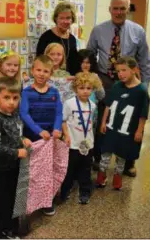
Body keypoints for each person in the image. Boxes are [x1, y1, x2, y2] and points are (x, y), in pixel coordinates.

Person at [87, 0, 150, 177]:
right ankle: (99, 157)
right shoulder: (98, 30)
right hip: (105, 80)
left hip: (130, 84)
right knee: (104, 120)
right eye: (115, 8)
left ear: (128, 10)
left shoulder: (138, 31)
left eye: (123, 8)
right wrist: (89, 79)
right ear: (110, 9)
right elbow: (90, 56)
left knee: (130, 123)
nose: (118, 12)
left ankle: (129, 162)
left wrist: (144, 86)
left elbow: (145, 60)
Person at [0, 77, 31, 239]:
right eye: (6, 97)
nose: (11, 102)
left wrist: (22, 140)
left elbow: (15, 135)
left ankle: (7, 226)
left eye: (15, 98)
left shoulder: (15, 115)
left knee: (9, 198)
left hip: (12, 167)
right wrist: (16, 152)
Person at [96, 57, 150, 190]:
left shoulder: (141, 91)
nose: (120, 74)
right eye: (118, 71)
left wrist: (139, 131)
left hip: (127, 131)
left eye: (124, 70)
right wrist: (103, 122)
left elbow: (143, 114)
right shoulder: (116, 86)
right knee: (105, 155)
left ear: (134, 70)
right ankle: (101, 177)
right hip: (111, 128)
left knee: (121, 157)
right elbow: (108, 105)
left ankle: (117, 179)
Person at [19, 55, 64, 216]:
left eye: (46, 71)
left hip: (49, 140)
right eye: (38, 70)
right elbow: (24, 114)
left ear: (50, 74)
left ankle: (46, 201)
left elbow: (59, 113)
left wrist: (57, 129)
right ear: (32, 71)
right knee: (32, 172)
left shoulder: (54, 92)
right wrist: (39, 130)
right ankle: (29, 200)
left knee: (47, 171)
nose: (41, 74)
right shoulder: (26, 92)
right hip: (32, 138)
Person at [60, 72, 99, 205]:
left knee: (86, 169)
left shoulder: (92, 105)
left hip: (88, 144)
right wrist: (66, 135)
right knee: (69, 169)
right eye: (81, 88)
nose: (85, 91)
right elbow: (63, 120)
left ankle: (85, 192)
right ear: (75, 89)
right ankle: (65, 190)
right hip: (72, 144)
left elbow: (90, 124)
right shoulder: (69, 103)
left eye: (88, 88)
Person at [36, 1, 80, 75]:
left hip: (68, 80)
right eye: (61, 18)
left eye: (68, 18)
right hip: (49, 79)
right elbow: (39, 62)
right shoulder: (46, 37)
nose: (65, 21)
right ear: (56, 19)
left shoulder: (72, 39)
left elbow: (74, 64)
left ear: (72, 20)